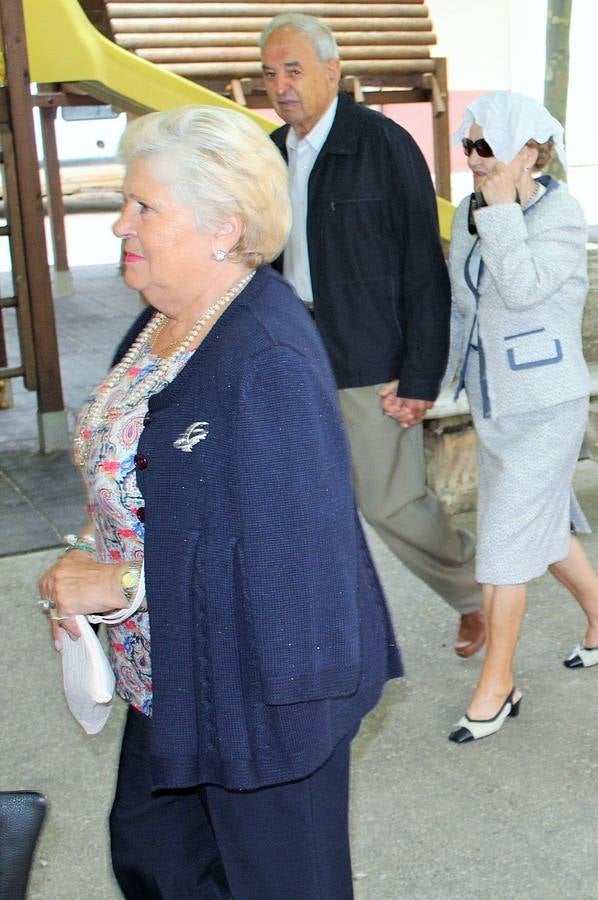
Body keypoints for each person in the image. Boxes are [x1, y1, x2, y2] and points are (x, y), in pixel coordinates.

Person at [37, 105, 402, 898]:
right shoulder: (165, 319)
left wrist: (124, 584)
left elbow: (293, 563)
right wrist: (100, 559)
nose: (118, 226)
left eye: (143, 207)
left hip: (266, 687)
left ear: (223, 227)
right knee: (155, 861)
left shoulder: (263, 353)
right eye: (124, 203)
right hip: (173, 671)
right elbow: (162, 485)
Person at [259, 13, 486, 658]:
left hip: (368, 359)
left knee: (390, 503)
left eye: (295, 70)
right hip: (291, 354)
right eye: (271, 73)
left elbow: (423, 263)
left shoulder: (381, 144)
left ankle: (475, 594)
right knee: (298, 506)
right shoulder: (272, 153)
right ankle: (314, 635)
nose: (281, 85)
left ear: (333, 72)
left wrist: (420, 376)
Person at [445, 92, 598, 744]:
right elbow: (463, 304)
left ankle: (497, 685)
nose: (471, 159)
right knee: (535, 529)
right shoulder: (476, 210)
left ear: (527, 150)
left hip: (547, 404)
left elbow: (523, 287)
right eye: (467, 145)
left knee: (501, 552)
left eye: (484, 146)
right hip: (494, 401)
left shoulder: (562, 213)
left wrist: (498, 213)